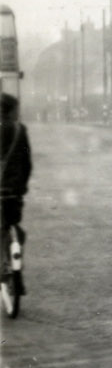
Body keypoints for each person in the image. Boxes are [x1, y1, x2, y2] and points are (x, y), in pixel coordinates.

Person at [2, 92, 30, 294]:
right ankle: (17, 270)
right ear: (11, 111)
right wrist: (23, 185)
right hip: (13, 191)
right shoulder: (20, 130)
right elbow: (27, 164)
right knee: (15, 228)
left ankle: (3, 267)